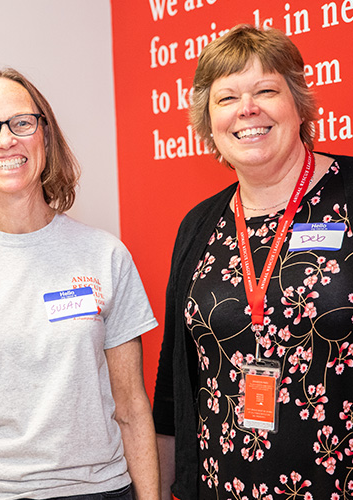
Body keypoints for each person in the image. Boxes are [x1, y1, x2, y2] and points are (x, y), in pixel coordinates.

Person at [0, 68, 160, 500]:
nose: (6, 141)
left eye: (22, 123)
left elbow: (132, 407)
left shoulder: (105, 255)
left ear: (45, 137)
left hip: (93, 489)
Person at [153, 24, 353, 499]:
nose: (247, 109)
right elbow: (173, 389)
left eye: (266, 90)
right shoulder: (199, 224)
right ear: (208, 120)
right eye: (226, 99)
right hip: (223, 487)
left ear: (299, 104)